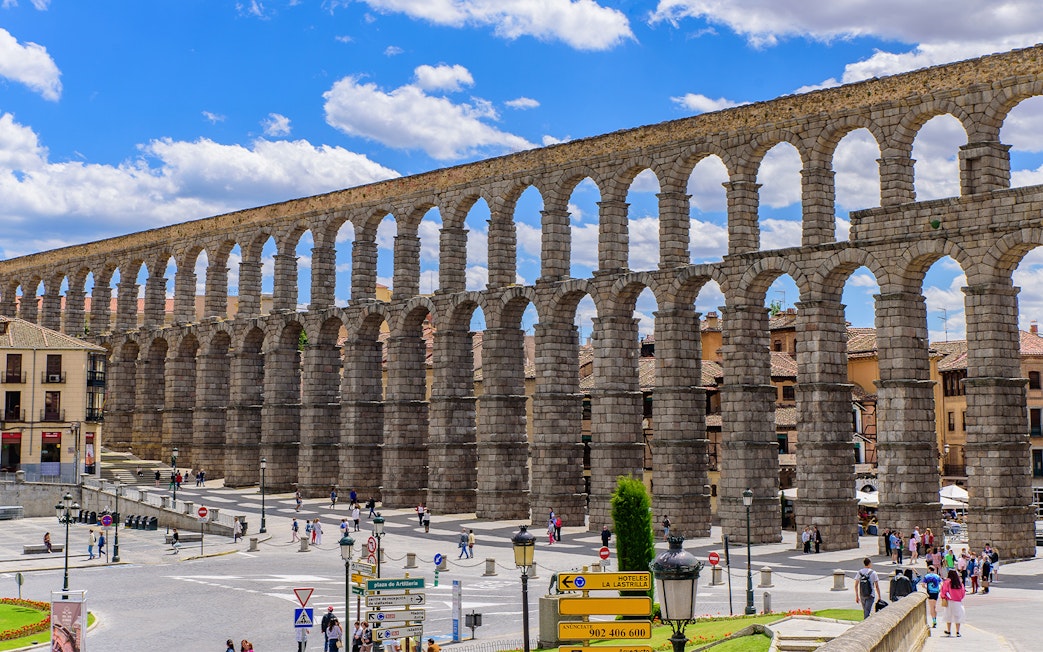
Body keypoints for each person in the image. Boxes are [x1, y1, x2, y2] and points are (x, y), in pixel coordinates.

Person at [940, 568, 966, 637]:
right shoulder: (960, 583)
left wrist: (943, 597)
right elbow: (963, 593)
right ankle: (957, 632)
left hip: (949, 601)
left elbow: (943, 592)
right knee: (957, 616)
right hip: (957, 602)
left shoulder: (947, 582)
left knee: (948, 616)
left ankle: (949, 631)